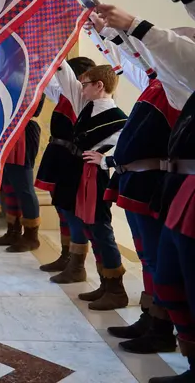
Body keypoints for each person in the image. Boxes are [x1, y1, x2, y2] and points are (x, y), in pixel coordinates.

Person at [97, 0, 195, 382]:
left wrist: (130, 28)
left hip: (161, 182)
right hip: (154, 183)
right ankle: (152, 321)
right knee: (159, 264)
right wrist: (110, 34)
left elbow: (161, 57)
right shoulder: (162, 85)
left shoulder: (178, 86)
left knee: (165, 265)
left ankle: (160, 329)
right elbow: (143, 61)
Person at [48, 62, 129, 311]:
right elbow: (66, 78)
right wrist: (56, 56)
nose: (80, 89)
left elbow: (126, 148)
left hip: (96, 178)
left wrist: (106, 160)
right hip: (79, 175)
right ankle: (105, 283)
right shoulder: (87, 106)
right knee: (88, 228)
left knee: (100, 229)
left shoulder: (119, 118)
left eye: (85, 85)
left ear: (99, 85)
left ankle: (116, 289)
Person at [35, 57, 96, 272]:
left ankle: (76, 263)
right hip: (58, 155)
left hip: (72, 160)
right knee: (61, 207)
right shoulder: (63, 94)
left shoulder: (84, 100)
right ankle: (66, 255)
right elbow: (48, 80)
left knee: (71, 210)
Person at [0, 94, 45, 252]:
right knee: (7, 185)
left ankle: (31, 236)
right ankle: (13, 231)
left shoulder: (34, 74)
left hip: (23, 132)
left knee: (24, 187)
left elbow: (34, 108)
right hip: (6, 130)